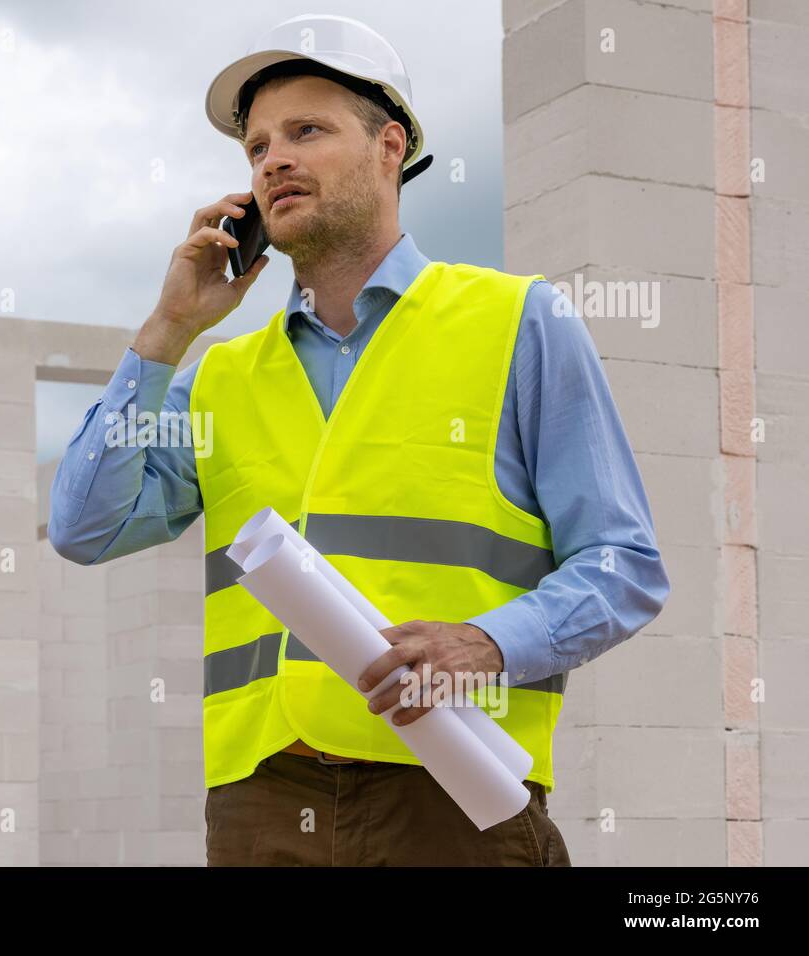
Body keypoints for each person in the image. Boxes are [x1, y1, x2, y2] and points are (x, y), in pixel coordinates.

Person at [48, 14, 669, 866]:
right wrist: (166, 330)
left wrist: (487, 645)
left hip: (452, 788)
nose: (274, 160)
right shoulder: (217, 377)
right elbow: (84, 528)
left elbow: (624, 564)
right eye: (257, 146)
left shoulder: (518, 323)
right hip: (262, 804)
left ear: (391, 145)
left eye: (307, 130)